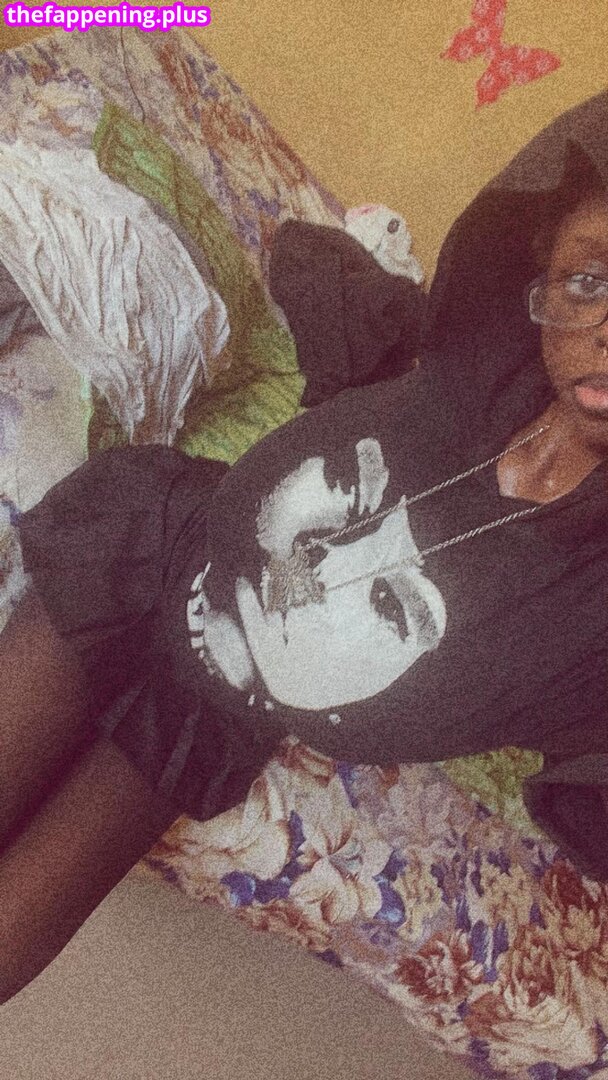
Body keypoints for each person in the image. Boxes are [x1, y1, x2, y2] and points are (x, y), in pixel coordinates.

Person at [3, 89, 608, 1006]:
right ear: (540, 277)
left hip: (208, 712)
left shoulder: (590, 616)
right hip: (145, 551)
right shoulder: (480, 353)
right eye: (587, 281)